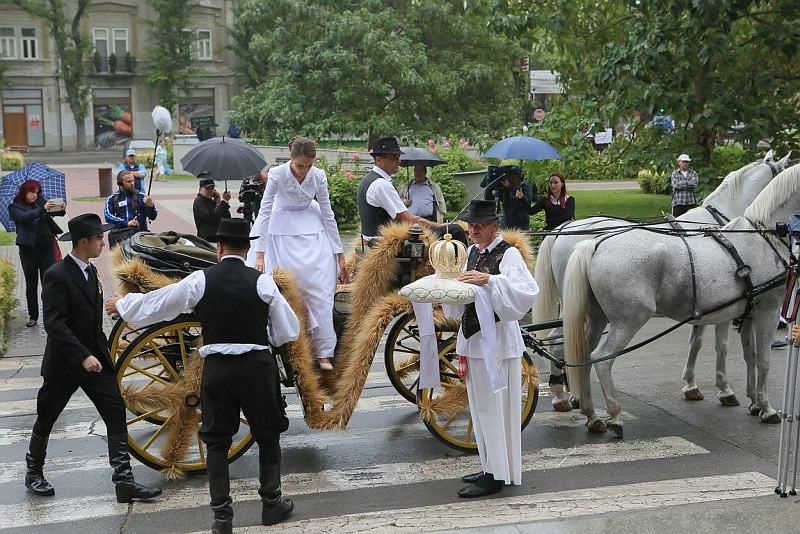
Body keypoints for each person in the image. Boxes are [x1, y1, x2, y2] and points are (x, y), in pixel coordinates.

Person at [106, 218, 300, 533]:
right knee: (267, 434)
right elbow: (288, 331)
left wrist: (124, 304)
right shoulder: (262, 283)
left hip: (218, 370)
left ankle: (222, 518)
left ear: (219, 248)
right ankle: (271, 503)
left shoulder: (201, 280)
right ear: (248, 249)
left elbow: (161, 304)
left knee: (217, 441)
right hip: (256, 369)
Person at [24, 213, 162, 503]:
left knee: (115, 413)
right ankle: (33, 472)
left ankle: (124, 482)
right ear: (83, 241)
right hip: (65, 364)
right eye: (99, 238)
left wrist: (107, 348)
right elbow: (55, 324)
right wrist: (82, 356)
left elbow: (91, 321)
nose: (103, 242)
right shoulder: (56, 274)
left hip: (96, 362)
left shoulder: (91, 271)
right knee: (47, 416)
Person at [445, 199, 539, 498]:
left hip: (497, 342)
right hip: (474, 340)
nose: (473, 230)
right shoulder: (471, 252)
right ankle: (491, 465)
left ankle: (497, 474)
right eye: (471, 225)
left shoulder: (508, 254)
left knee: (496, 408)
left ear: (494, 226)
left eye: (480, 225)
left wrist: (490, 281)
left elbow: (526, 293)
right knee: (481, 407)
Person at [251, 137, 348, 371]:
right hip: (280, 228)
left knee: (321, 289)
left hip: (312, 228)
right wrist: (260, 253)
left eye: (308, 166)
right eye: (299, 166)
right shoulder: (277, 174)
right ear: (291, 159)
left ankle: (324, 351)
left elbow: (328, 213)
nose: (304, 171)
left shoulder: (319, 176)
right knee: (291, 290)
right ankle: (294, 344)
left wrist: (339, 254)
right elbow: (264, 212)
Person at [357, 136, 442, 245]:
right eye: (394, 158)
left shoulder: (369, 179)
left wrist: (401, 202)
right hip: (383, 244)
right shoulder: (381, 184)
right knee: (452, 232)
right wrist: (440, 226)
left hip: (373, 241)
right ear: (378, 160)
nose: (399, 161)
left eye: (398, 157)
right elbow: (408, 219)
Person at [8, 180, 65, 327]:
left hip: (47, 247)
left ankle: (51, 314)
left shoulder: (40, 201)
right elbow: (24, 218)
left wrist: (61, 208)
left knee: (49, 281)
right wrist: (42, 209)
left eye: (37, 192)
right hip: (28, 250)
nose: (35, 195)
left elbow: (53, 212)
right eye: (32, 192)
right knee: (31, 283)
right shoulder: (15, 207)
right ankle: (33, 315)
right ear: (24, 192)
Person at [104, 170, 158, 248]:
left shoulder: (142, 197)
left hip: (140, 237)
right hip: (120, 237)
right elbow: (108, 216)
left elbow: (153, 216)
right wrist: (126, 223)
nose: (132, 183)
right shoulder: (112, 199)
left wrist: (150, 206)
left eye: (133, 180)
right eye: (128, 181)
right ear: (120, 183)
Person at [484, 165, 534, 230]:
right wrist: (489, 189)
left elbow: (528, 205)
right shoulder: (504, 187)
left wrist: (520, 195)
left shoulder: (525, 186)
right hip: (506, 224)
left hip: (521, 225)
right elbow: (489, 202)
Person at [194, 178, 232, 242]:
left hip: (218, 237)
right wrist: (224, 202)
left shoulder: (212, 201)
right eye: (207, 188)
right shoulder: (199, 201)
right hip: (207, 239)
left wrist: (218, 202)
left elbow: (227, 217)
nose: (210, 191)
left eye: (212, 188)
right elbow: (211, 218)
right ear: (200, 189)